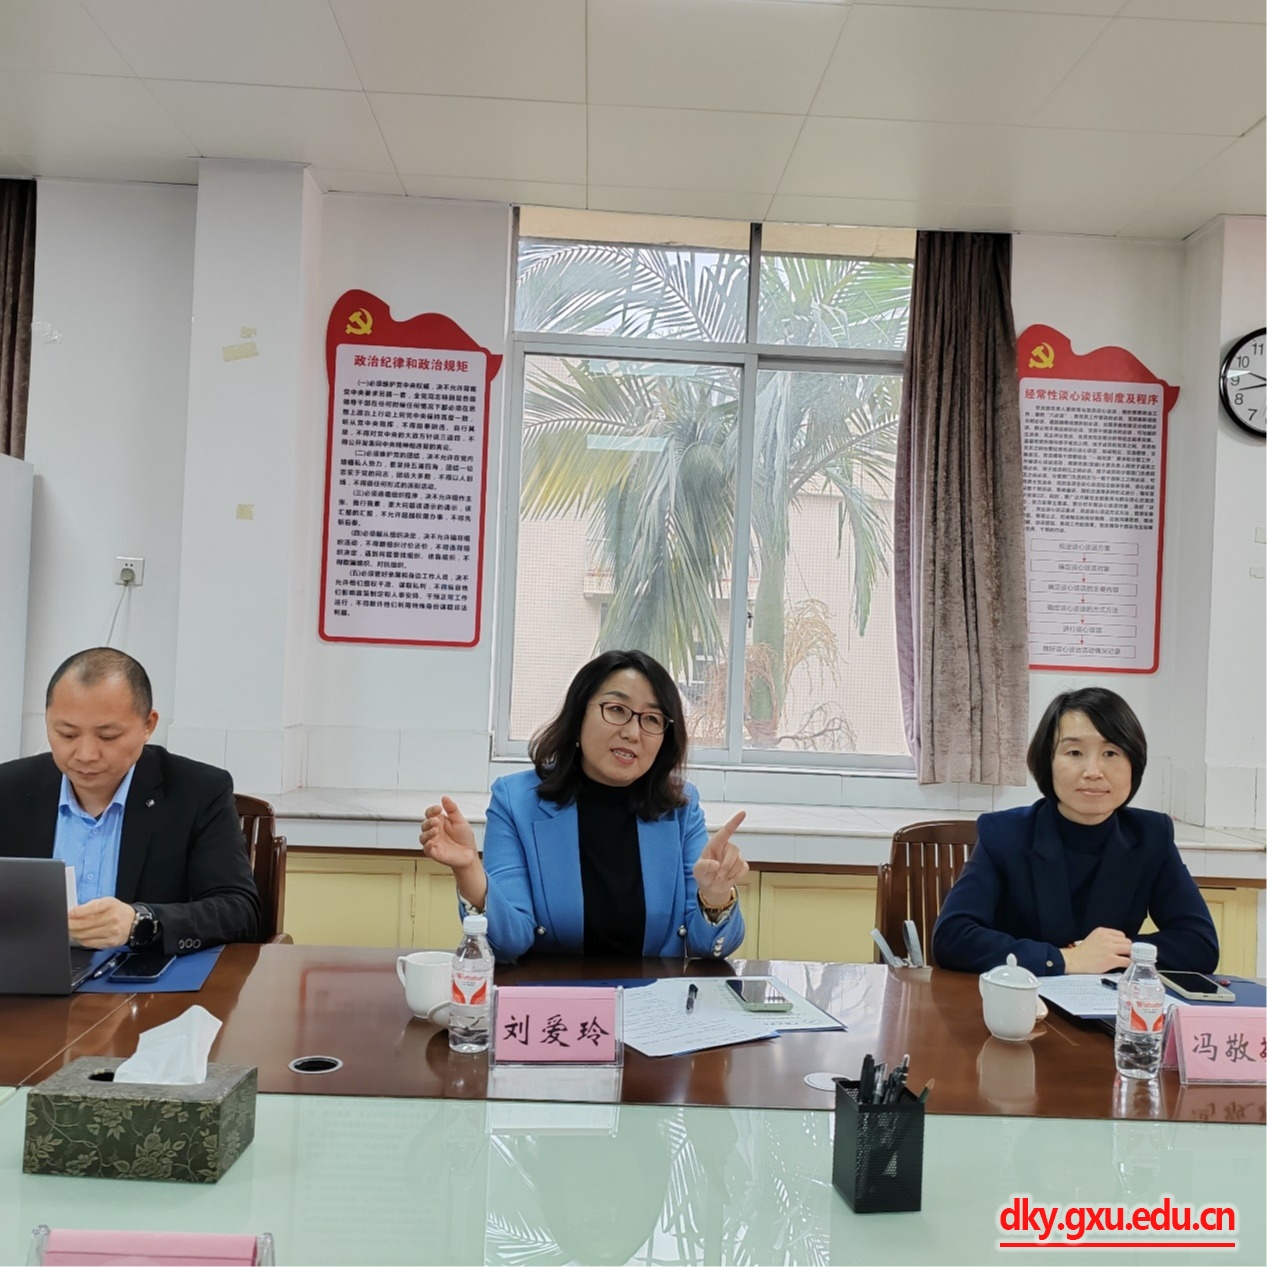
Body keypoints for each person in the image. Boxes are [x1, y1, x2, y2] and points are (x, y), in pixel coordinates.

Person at [421, 649, 748, 962]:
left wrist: (715, 895)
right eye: (616, 710)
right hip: (554, 996)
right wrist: (469, 869)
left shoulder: (680, 808)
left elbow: (709, 949)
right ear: (578, 716)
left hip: (654, 996)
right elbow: (509, 945)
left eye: (652, 718)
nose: (632, 732)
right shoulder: (516, 802)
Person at [932, 687, 1217, 977]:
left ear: (1134, 763)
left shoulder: (1151, 835)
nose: (1093, 771)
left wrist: (1111, 953)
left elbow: (1200, 944)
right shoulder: (1004, 834)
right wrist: (1064, 959)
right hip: (1022, 996)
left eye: (1110, 753)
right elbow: (953, 936)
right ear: (1048, 762)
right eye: (1075, 752)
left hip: (1107, 1001)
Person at [0, 648, 260, 953]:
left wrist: (141, 922)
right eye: (67, 734)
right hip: (28, 972)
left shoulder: (198, 791)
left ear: (148, 725)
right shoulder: (9, 788)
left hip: (143, 976)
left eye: (107, 736)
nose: (86, 754)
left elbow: (239, 911)